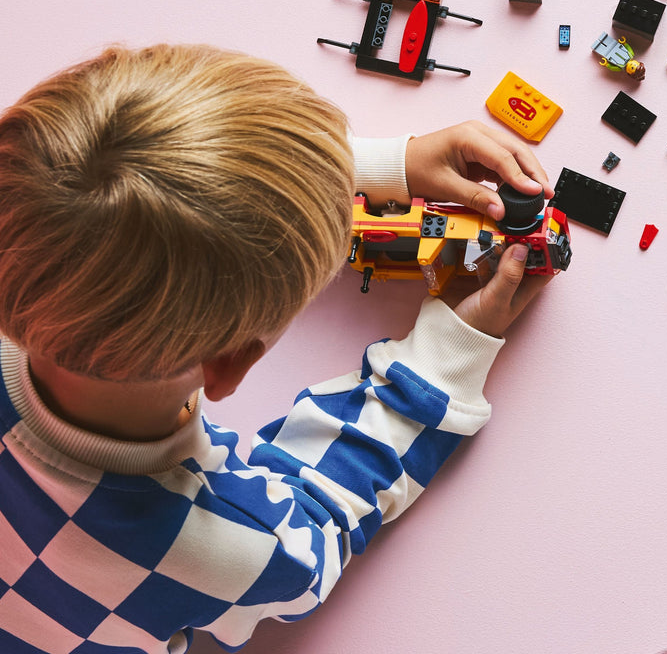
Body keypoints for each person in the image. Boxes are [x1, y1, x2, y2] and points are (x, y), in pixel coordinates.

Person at [0, 43, 556, 653]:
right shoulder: (227, 546)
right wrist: (448, 353)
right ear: (233, 361)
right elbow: (321, 525)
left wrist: (347, 172)